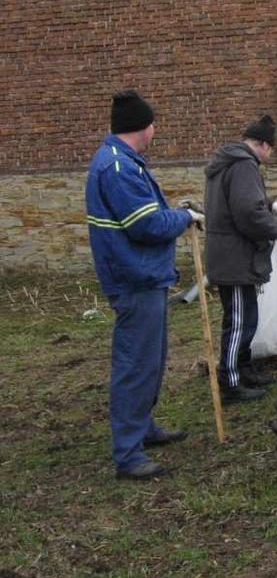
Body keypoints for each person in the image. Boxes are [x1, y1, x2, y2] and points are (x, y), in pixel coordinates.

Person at [86, 90, 203, 480]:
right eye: (153, 123)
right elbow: (147, 224)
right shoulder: (118, 168)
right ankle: (129, 454)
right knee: (136, 364)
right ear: (143, 126)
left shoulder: (124, 162)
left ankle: (142, 427)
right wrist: (184, 217)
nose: (156, 129)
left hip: (144, 277)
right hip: (134, 279)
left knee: (150, 360)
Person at [204, 115, 277, 404]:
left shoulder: (228, 162)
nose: (269, 156)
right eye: (270, 149)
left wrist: (272, 205)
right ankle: (230, 382)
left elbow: (247, 201)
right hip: (235, 256)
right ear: (261, 144)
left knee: (247, 316)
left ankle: (244, 368)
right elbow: (248, 213)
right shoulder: (244, 164)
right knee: (238, 321)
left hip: (230, 254)